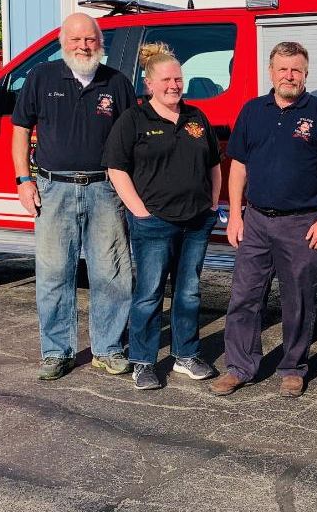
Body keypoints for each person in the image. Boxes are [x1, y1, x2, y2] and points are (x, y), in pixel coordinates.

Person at [210, 41, 317, 398]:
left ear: (306, 73)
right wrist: (236, 216)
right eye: (282, 69)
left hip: (302, 224)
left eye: (296, 70)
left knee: (298, 300)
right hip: (255, 220)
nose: (289, 76)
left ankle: (293, 367)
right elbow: (238, 166)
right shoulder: (253, 111)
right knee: (244, 297)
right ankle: (240, 367)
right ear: (271, 73)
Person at [11, 13, 135, 380]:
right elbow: (20, 130)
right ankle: (56, 352)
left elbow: (130, 140)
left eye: (90, 40)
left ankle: (108, 348)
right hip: (53, 189)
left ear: (100, 43)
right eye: (76, 39)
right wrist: (23, 180)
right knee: (53, 274)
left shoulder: (118, 83)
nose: (84, 46)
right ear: (63, 42)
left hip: (104, 189)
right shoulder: (41, 77)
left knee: (111, 273)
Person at [103, 43, 223, 391]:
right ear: (149, 83)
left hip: (196, 222)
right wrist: (138, 210)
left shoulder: (196, 117)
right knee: (149, 294)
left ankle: (186, 355)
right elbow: (116, 168)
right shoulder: (134, 120)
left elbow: (214, 163)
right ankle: (143, 361)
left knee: (188, 294)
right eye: (167, 79)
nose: (174, 85)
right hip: (153, 224)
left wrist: (213, 202)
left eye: (179, 79)